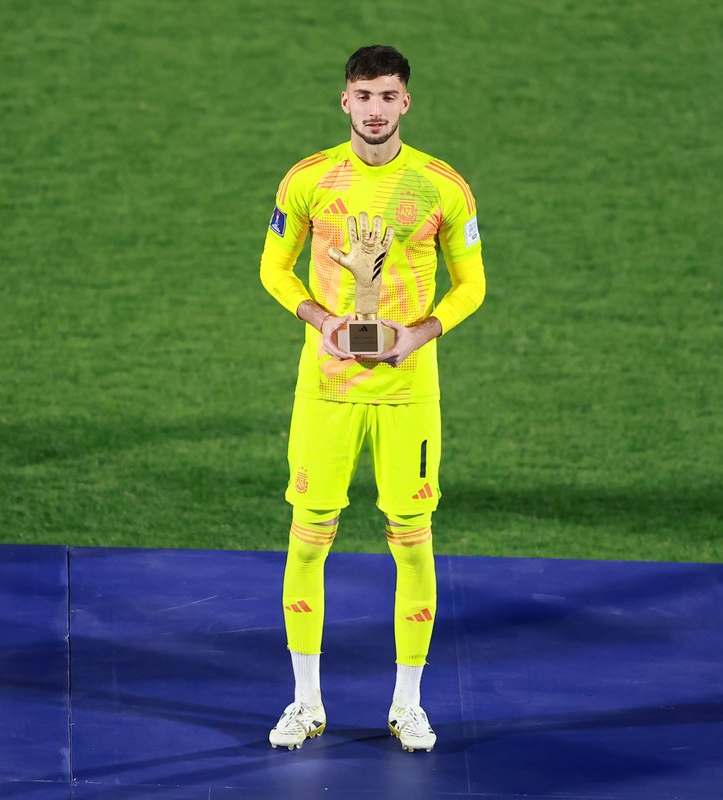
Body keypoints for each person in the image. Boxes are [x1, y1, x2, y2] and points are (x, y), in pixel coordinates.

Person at [258, 44, 486, 753]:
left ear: (405, 102)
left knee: (412, 541)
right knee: (308, 537)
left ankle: (407, 704)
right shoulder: (309, 180)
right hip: (325, 391)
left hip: (408, 394)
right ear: (345, 101)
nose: (376, 109)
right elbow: (273, 267)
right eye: (365, 96)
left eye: (389, 96)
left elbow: (472, 284)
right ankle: (305, 701)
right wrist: (322, 321)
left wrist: (420, 335)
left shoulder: (441, 187)